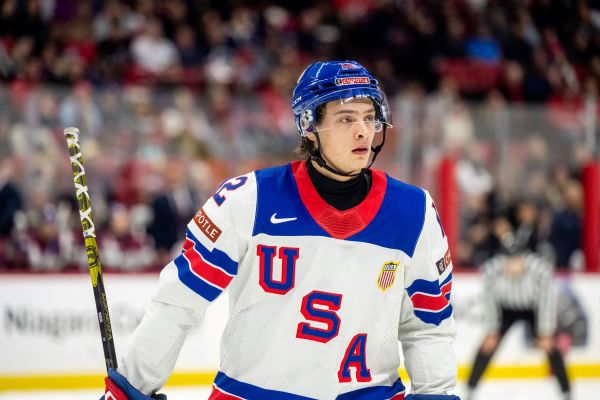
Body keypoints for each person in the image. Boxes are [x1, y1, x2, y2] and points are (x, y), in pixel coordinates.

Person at [103, 61, 460, 400]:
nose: (363, 130)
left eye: (369, 117)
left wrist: (436, 394)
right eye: (346, 118)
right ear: (309, 126)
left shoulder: (413, 212)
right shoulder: (248, 200)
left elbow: (428, 324)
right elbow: (179, 302)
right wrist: (131, 386)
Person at [465, 220, 571, 400]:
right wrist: (492, 329)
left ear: (525, 256)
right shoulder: (491, 271)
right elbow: (489, 301)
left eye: (517, 258)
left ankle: (566, 392)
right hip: (506, 309)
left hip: (533, 309)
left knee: (551, 347)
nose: (513, 264)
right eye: (508, 259)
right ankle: (470, 390)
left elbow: (546, 300)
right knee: (487, 346)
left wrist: (545, 331)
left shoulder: (540, 270)